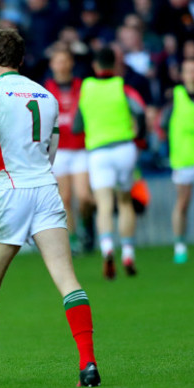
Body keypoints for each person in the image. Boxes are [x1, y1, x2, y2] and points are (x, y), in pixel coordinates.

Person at [0, 29, 100, 388]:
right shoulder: (48, 96)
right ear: (22, 60)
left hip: (8, 191)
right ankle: (87, 362)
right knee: (67, 279)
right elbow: (51, 150)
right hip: (44, 188)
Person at [73, 47, 146, 279]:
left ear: (95, 66)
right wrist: (140, 135)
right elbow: (140, 112)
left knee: (103, 205)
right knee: (124, 201)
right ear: (115, 65)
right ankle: (128, 253)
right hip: (124, 148)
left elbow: (76, 125)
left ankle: (106, 250)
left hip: (98, 153)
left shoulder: (86, 89)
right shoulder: (122, 87)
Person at [44, 48, 95, 253]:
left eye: (65, 61)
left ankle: (86, 226)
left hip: (81, 147)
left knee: (84, 196)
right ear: (52, 65)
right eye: (58, 61)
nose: (62, 65)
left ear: (71, 63)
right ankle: (74, 239)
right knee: (64, 198)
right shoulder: (46, 89)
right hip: (59, 149)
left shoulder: (82, 86)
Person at [160, 57, 194, 264]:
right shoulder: (175, 98)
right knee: (183, 203)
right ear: (183, 75)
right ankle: (179, 246)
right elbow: (162, 124)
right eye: (189, 71)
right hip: (184, 159)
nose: (193, 75)